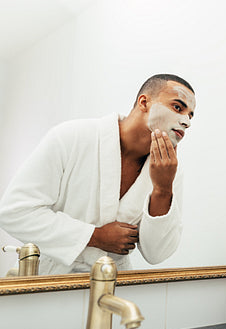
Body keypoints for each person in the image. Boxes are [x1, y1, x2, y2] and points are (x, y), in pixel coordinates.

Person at [0, 73, 195, 275]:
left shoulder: (169, 171)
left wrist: (162, 190)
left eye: (190, 115)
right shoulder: (71, 136)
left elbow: (157, 253)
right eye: (178, 107)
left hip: (110, 283)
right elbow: (14, 212)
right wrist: (94, 236)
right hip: (46, 280)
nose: (186, 122)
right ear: (144, 102)